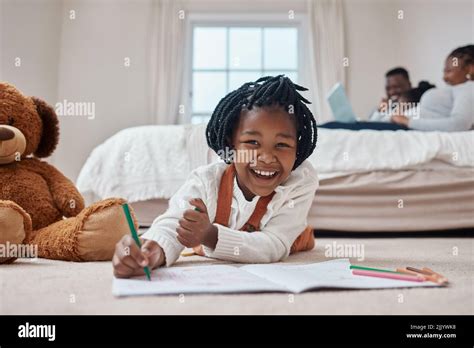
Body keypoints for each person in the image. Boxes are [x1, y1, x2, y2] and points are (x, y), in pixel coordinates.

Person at [112, 76, 319, 277]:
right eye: (252, 143)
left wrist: (210, 235)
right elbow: (174, 224)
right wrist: (151, 252)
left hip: (292, 238)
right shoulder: (206, 181)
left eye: (282, 145)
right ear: (231, 144)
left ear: (297, 150)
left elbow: (273, 244)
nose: (266, 158)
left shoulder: (300, 182)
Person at [391, 45, 474, 131]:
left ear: (469, 69)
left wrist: (408, 121)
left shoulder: (469, 88)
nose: (444, 78)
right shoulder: (459, 90)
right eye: (444, 71)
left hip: (406, 127)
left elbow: (459, 124)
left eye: (449, 71)